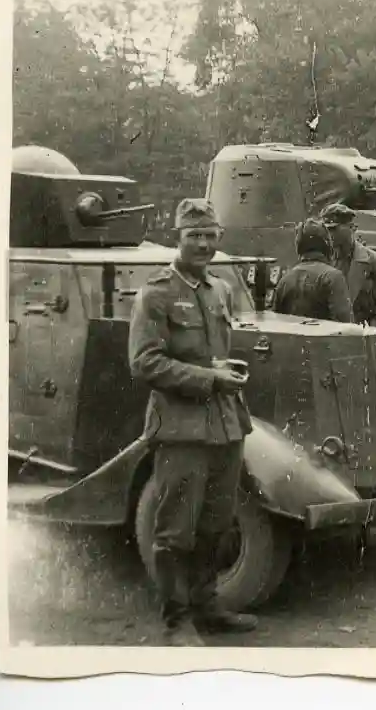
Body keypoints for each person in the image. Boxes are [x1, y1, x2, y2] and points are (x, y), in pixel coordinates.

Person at [128, 198, 257, 646]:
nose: (202, 244)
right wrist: (210, 378)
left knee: (216, 523)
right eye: (193, 236)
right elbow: (144, 363)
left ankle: (208, 607)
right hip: (182, 428)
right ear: (177, 239)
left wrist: (227, 371)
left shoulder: (218, 290)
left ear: (219, 238)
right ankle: (176, 621)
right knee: (175, 528)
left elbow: (214, 350)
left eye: (209, 236)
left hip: (225, 424)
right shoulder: (157, 292)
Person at [320, 203, 376, 326]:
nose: (329, 235)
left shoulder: (374, 262)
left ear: (352, 228)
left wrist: (373, 328)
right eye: (326, 229)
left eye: (334, 229)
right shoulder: (323, 261)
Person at [272, 218, 353, 322]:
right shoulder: (333, 277)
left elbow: (275, 324)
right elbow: (346, 327)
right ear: (327, 245)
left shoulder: (285, 280)